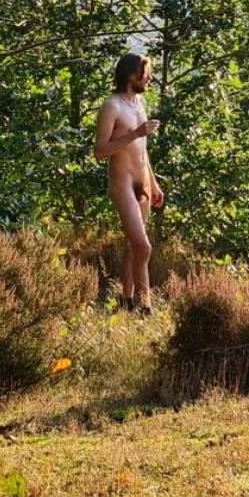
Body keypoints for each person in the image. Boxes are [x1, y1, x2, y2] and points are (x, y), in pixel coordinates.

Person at [93, 52, 164, 307]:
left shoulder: (139, 103)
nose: (149, 79)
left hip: (142, 180)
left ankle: (126, 300)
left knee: (134, 247)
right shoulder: (112, 106)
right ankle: (146, 307)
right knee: (143, 247)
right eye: (146, 75)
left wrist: (153, 184)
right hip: (121, 182)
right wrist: (135, 133)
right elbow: (100, 151)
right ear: (131, 75)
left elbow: (142, 149)